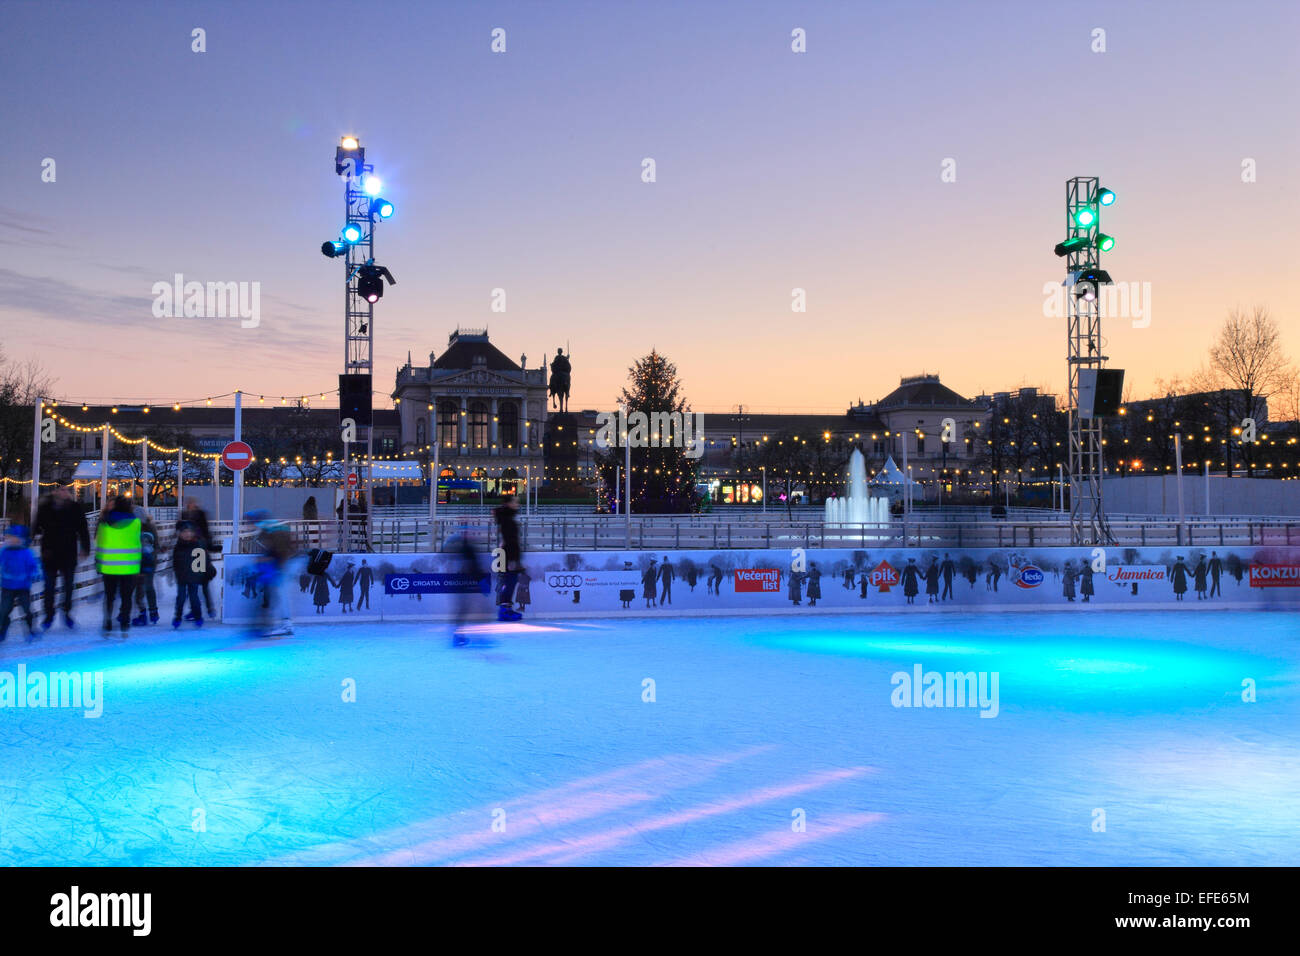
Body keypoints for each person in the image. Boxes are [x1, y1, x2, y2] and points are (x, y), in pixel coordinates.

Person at [33, 485, 90, 630]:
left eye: (65, 489)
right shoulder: (46, 507)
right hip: (49, 552)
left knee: (69, 585)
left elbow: (83, 528)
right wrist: (31, 537)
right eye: (60, 489)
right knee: (49, 586)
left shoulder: (75, 508)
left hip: (68, 552)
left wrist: (85, 547)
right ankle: (49, 615)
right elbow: (37, 526)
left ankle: (67, 612)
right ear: (54, 492)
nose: (63, 492)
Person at [96, 495, 141, 637]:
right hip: (129, 566)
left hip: (109, 566)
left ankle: (107, 620)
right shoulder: (135, 523)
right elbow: (138, 544)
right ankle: (125, 622)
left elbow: (100, 544)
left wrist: (98, 562)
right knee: (126, 596)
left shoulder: (104, 522)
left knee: (109, 596)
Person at [249, 511, 295, 637]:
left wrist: (279, 566)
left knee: (281, 593)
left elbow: (282, 550)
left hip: (287, 563)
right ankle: (283, 624)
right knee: (279, 593)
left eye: (250, 523)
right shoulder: (268, 529)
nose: (250, 527)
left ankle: (286, 625)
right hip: (284, 562)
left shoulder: (270, 530)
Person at [0, 525, 41, 643]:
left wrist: (35, 574)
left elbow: (34, 566)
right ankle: (3, 629)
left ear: (21, 539)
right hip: (7, 587)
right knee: (4, 611)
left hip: (23, 587)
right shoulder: (5, 552)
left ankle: (30, 630)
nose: (10, 540)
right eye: (9, 537)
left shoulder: (27, 553)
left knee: (27, 610)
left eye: (13, 537)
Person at [178, 499, 216, 616]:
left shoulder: (200, 515)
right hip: (190, 553)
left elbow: (206, 530)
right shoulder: (184, 515)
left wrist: (209, 545)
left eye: (191, 503)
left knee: (203, 584)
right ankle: (195, 609)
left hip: (200, 551)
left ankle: (209, 608)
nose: (190, 505)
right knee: (192, 585)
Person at [493, 494, 522, 621]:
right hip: (508, 556)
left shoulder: (506, 518)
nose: (518, 505)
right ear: (509, 504)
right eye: (515, 502)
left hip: (507, 554)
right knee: (509, 582)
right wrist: (512, 560)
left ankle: (506, 609)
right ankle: (505, 610)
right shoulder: (507, 520)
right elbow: (510, 540)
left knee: (510, 581)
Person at [171, 522, 206, 628]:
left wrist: (201, 574)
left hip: (194, 577)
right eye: (184, 532)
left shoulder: (197, 544)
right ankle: (177, 617)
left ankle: (198, 616)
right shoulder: (178, 546)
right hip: (181, 577)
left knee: (194, 598)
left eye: (189, 532)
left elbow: (202, 561)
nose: (187, 534)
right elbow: (175, 562)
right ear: (180, 534)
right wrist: (176, 573)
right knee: (180, 598)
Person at [132, 512, 160, 626]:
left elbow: (156, 544)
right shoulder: (134, 528)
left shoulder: (149, 528)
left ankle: (151, 611)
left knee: (146, 586)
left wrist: (152, 558)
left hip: (148, 562)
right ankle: (145, 612)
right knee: (140, 588)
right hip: (138, 562)